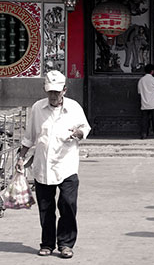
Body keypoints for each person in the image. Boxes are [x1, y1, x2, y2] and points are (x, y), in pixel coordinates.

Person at [16, 70, 91, 258]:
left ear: (64, 90)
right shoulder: (37, 108)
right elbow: (29, 136)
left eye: (57, 92)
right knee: (45, 208)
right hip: (43, 167)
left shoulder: (74, 108)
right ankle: (47, 243)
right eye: (50, 92)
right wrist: (21, 157)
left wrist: (79, 133)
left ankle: (66, 244)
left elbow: (85, 127)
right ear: (45, 90)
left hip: (67, 166)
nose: (53, 96)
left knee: (67, 204)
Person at [137, 64, 154, 139]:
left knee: (144, 119)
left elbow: (139, 92)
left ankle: (144, 134)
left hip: (144, 103)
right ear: (152, 71)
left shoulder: (141, 80)